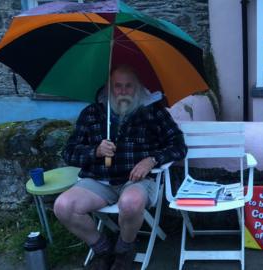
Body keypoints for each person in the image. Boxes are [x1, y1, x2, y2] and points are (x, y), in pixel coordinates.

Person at [54, 65, 187, 270]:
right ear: (109, 88)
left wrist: (152, 160)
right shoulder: (92, 113)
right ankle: (103, 249)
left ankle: (124, 249)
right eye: (118, 86)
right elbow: (69, 152)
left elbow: (178, 145)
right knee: (63, 207)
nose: (123, 91)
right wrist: (95, 152)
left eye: (129, 86)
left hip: (137, 181)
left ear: (138, 88)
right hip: (98, 181)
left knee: (131, 203)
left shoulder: (153, 112)